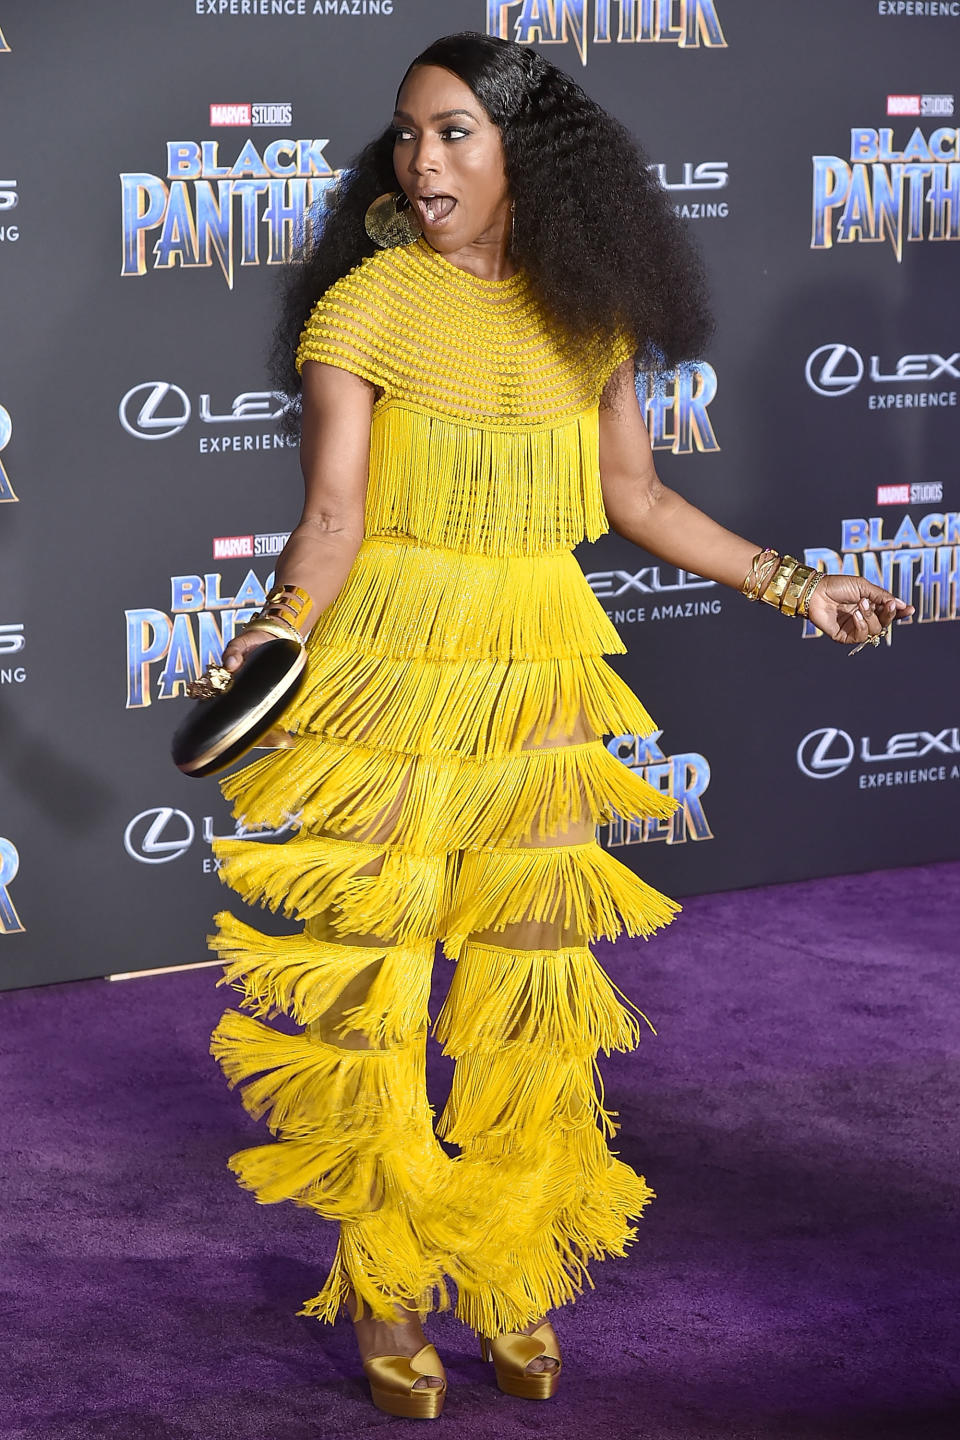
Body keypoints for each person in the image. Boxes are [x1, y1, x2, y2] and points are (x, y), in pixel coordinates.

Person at [205, 31, 914, 1421]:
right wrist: (282, 624)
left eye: (457, 133)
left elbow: (639, 500)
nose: (424, 161)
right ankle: (389, 1288)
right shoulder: (364, 310)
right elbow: (337, 516)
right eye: (410, 134)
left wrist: (793, 579)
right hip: (395, 674)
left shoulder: (588, 315)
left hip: (536, 669)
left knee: (532, 990)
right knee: (381, 997)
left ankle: (513, 1276)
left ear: (531, 157)